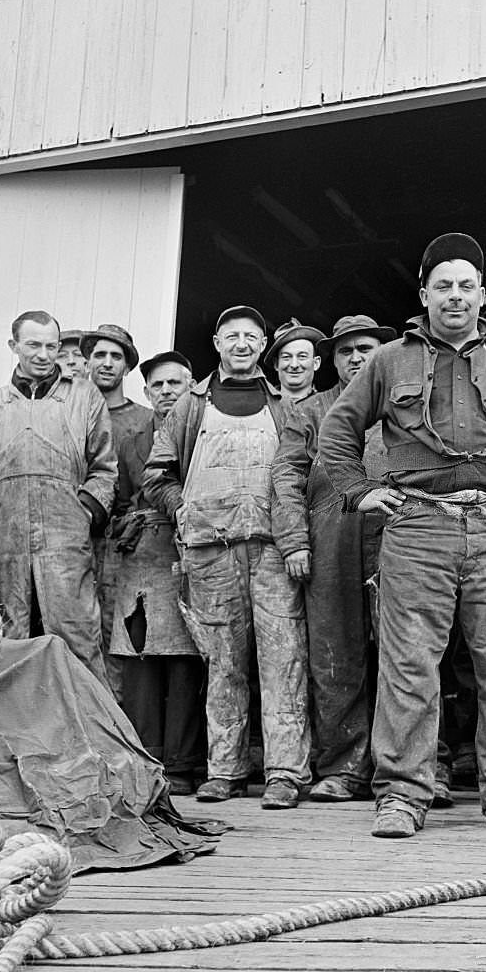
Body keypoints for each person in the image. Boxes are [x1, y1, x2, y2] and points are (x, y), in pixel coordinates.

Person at [319, 233, 486, 839]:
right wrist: (361, 490)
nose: (455, 297)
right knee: (410, 665)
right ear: (423, 292)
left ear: (481, 294)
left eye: (466, 286)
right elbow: (337, 434)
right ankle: (403, 794)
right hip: (417, 526)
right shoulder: (387, 361)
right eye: (443, 286)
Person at [143, 305, 310, 811]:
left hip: (272, 550)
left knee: (285, 658)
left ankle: (285, 772)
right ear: (216, 343)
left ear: (264, 347)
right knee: (223, 661)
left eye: (251, 337)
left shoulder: (285, 406)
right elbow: (157, 475)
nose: (241, 344)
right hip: (208, 551)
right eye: (232, 336)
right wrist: (183, 510)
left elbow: (303, 474)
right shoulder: (189, 408)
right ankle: (225, 769)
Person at [272, 314, 396, 802]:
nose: (356, 358)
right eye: (345, 351)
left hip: (398, 539)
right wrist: (295, 541)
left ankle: (417, 766)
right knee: (335, 657)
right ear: (333, 359)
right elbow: (286, 478)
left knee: (406, 655)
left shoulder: (405, 405)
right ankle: (344, 769)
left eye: (365, 348)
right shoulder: (310, 411)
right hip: (331, 541)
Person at [0, 310, 115, 686]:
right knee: (5, 640)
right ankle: (9, 738)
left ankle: (90, 738)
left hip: (65, 541)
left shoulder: (84, 396)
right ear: (14, 346)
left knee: (77, 636)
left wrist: (82, 515)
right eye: (33, 345)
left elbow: (105, 468)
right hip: (3, 542)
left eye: (51, 346)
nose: (43, 354)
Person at [110, 350, 206, 797]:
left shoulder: (206, 431)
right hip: (145, 555)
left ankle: (184, 764)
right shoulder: (130, 442)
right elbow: (118, 501)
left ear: (192, 389)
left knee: (188, 658)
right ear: (146, 393)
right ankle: (146, 760)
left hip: (194, 551)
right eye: (159, 386)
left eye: (176, 384)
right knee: (140, 656)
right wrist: (130, 519)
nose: (168, 392)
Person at [80, 324, 152, 676]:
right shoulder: (70, 414)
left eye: (116, 356)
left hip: (125, 547)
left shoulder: (145, 421)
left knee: (118, 636)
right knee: (75, 632)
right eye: (99, 355)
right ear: (86, 362)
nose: (107, 363)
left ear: (128, 367)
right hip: (76, 542)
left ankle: (114, 722)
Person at [266, 318, 323, 403]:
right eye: (286, 357)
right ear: (276, 364)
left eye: (302, 356)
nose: (294, 365)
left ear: (316, 363)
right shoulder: (262, 404)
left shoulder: (331, 407)